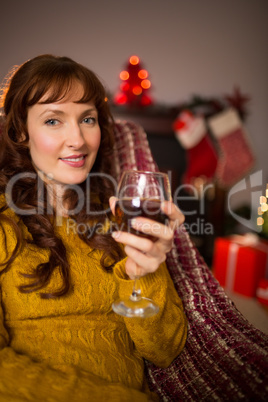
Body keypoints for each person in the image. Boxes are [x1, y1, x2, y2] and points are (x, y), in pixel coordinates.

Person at [0, 54, 187, 401]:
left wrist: (142, 272)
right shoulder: (3, 225)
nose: (79, 140)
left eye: (87, 119)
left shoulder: (121, 216)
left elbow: (165, 350)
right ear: (21, 131)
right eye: (53, 121)